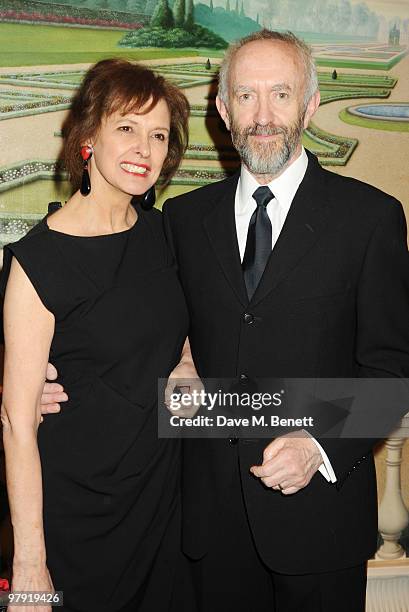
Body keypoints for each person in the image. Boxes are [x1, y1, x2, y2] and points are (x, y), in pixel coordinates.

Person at [40, 31, 409, 612]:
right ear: (222, 109)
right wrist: (43, 380)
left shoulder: (371, 220)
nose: (263, 117)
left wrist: (318, 442)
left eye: (281, 95)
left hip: (317, 529)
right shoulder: (180, 221)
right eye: (245, 96)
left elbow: (392, 373)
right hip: (203, 531)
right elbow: (115, 322)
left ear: (310, 105)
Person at [0, 58, 197, 612]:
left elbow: (181, 325)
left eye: (158, 134)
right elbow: (17, 423)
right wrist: (30, 564)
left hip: (162, 506)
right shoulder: (39, 262)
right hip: (78, 517)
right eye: (126, 128)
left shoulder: (164, 234)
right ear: (89, 137)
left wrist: (186, 361)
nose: (144, 148)